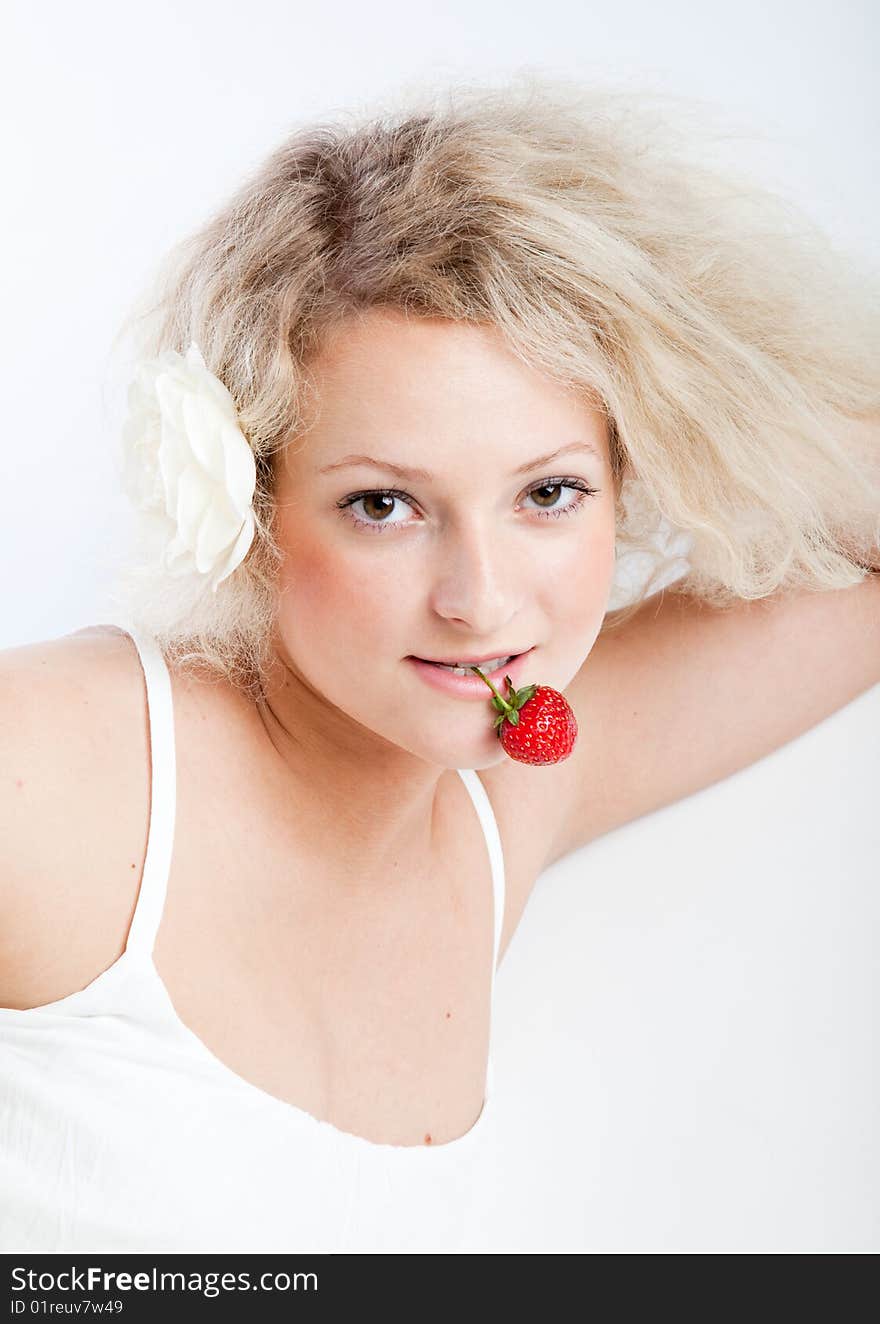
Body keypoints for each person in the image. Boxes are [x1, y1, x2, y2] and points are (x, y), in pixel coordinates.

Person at [1, 74, 878, 1254]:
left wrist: (683, 370)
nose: (482, 599)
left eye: (549, 492)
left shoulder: (502, 800)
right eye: (383, 504)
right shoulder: (61, 767)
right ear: (251, 506)